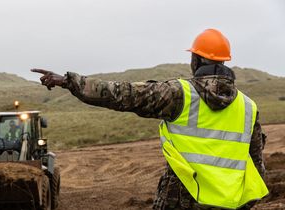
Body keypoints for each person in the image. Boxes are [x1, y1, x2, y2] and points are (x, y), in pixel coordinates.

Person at [31, 29, 268, 210]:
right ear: (224, 62)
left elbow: (122, 94)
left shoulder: (180, 94)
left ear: (196, 60)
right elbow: (257, 170)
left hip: (182, 202)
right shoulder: (248, 107)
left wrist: (69, 81)